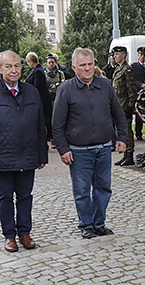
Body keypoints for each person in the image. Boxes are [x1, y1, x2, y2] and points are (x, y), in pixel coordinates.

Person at [0, 50, 48, 253]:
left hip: (28, 154)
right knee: (5, 197)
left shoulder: (32, 92)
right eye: (8, 66)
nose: (13, 70)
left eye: (16, 66)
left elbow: (40, 124)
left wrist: (42, 154)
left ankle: (24, 233)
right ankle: (9, 236)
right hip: (1, 156)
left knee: (25, 196)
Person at [52, 47, 127, 238]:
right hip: (78, 151)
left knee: (103, 188)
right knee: (82, 191)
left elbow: (118, 114)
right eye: (83, 65)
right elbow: (57, 124)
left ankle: (99, 223)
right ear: (74, 67)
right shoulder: (65, 90)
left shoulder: (105, 86)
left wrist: (122, 137)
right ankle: (86, 224)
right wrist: (63, 149)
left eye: (90, 64)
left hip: (103, 148)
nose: (87, 68)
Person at [110, 46, 137, 165]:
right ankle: (125, 154)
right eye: (114, 54)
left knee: (127, 130)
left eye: (117, 54)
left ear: (124, 55)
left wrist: (130, 106)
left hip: (125, 105)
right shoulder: (118, 69)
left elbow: (132, 90)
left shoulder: (127, 69)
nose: (115, 56)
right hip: (118, 104)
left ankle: (130, 155)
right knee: (120, 130)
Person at [25, 52, 53, 143]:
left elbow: (37, 88)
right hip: (40, 99)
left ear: (30, 61)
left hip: (40, 100)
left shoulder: (38, 71)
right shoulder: (36, 70)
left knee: (44, 120)